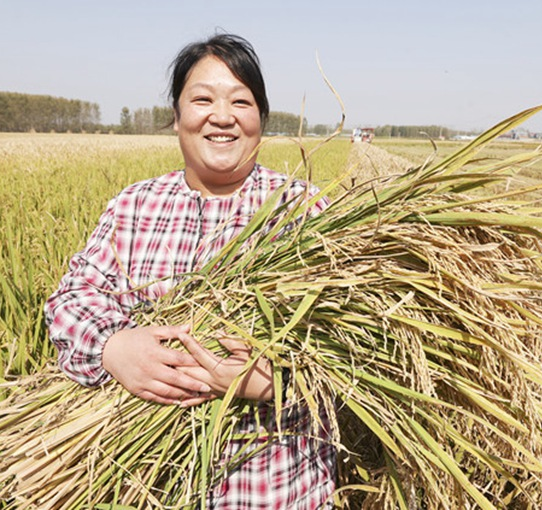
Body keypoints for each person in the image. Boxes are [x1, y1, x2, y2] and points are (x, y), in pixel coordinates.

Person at [45, 33, 336, 508]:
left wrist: (279, 383)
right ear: (176, 116)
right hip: (144, 486)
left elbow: (357, 353)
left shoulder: (304, 211)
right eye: (202, 99)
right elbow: (72, 299)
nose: (222, 117)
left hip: (274, 490)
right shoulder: (134, 206)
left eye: (241, 101)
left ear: (261, 118)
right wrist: (112, 346)